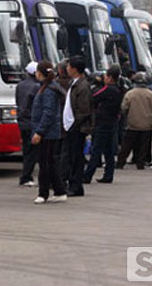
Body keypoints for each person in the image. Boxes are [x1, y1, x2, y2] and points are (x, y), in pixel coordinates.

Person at [31, 60, 67, 204]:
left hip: (47, 133)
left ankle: (43, 193)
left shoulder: (48, 91)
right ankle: (59, 190)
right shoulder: (49, 88)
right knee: (50, 162)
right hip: (50, 132)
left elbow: (48, 113)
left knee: (45, 163)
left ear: (39, 73)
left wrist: (39, 132)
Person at [83, 65, 123, 183]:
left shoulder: (108, 89)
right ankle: (108, 175)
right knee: (109, 151)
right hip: (112, 122)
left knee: (96, 150)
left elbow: (93, 97)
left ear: (110, 78)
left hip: (103, 123)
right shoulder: (118, 89)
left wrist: (97, 84)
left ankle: (87, 175)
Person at [62, 56, 93, 197]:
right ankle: (73, 184)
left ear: (74, 69)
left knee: (76, 158)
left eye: (68, 66)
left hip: (77, 128)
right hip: (70, 126)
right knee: (71, 157)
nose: (67, 69)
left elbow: (84, 110)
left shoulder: (83, 86)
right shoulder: (73, 83)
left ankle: (76, 186)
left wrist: (74, 124)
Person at [116, 73, 152, 170]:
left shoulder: (130, 94)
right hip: (147, 124)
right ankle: (140, 163)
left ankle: (120, 163)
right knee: (144, 145)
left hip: (132, 123)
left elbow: (124, 108)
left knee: (126, 145)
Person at [16, 62, 41, 187]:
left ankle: (26, 175)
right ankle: (26, 176)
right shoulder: (37, 87)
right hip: (32, 122)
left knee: (27, 150)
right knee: (33, 151)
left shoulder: (20, 85)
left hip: (22, 121)